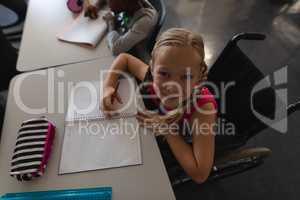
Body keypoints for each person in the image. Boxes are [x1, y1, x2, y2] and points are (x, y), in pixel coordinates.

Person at [100, 28, 217, 184]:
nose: (172, 86)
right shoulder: (151, 79)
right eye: (164, 74)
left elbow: (200, 174)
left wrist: (165, 128)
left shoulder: (203, 109)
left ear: (198, 78)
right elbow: (124, 58)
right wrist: (108, 87)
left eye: (186, 76)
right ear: (152, 68)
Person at [84, 0, 158, 56]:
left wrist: (111, 23)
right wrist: (96, 6)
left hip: (137, 56)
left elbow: (116, 49)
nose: (108, 3)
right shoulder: (132, 5)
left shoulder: (144, 21)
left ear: (123, 3)